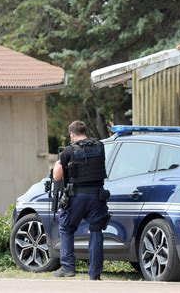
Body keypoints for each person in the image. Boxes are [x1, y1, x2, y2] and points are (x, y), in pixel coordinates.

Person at [52, 120, 110, 280]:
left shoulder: (68, 151)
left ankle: (68, 267)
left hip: (76, 196)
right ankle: (95, 274)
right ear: (85, 131)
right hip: (97, 195)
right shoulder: (100, 147)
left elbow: (57, 176)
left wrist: (59, 161)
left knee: (66, 228)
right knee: (96, 231)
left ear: (72, 134)